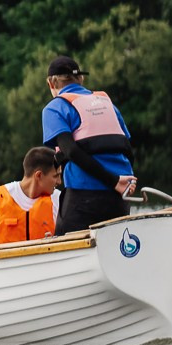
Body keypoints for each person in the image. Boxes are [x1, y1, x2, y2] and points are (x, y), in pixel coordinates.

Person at [42, 56, 139, 233]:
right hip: (120, 195)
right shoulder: (106, 102)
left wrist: (113, 181)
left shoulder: (55, 107)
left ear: (51, 83)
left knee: (65, 248)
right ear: (81, 79)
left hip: (84, 195)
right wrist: (120, 181)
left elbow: (70, 150)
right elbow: (126, 148)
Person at [0, 147, 63, 245]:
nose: (59, 181)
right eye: (55, 176)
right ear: (38, 175)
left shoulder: (58, 199)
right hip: (3, 260)